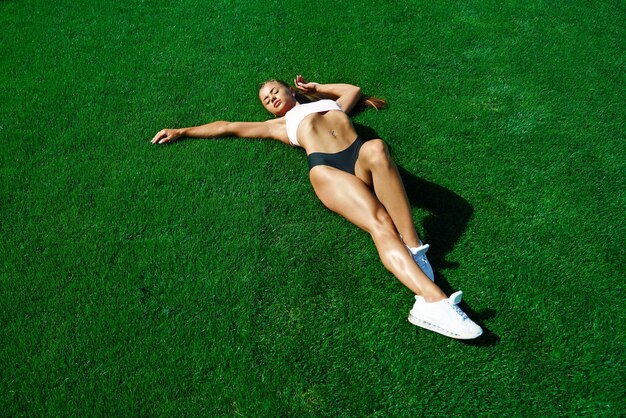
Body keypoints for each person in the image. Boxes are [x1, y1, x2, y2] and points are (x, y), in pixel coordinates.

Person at [151, 75, 483, 339]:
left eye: (275, 91)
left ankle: (413, 248)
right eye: (266, 100)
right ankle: (433, 302)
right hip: (329, 170)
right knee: (380, 223)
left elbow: (353, 89)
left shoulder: (329, 103)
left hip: (359, 154)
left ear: (289, 91)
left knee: (379, 147)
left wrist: (316, 87)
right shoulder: (279, 126)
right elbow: (227, 126)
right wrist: (182, 130)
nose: (271, 98)